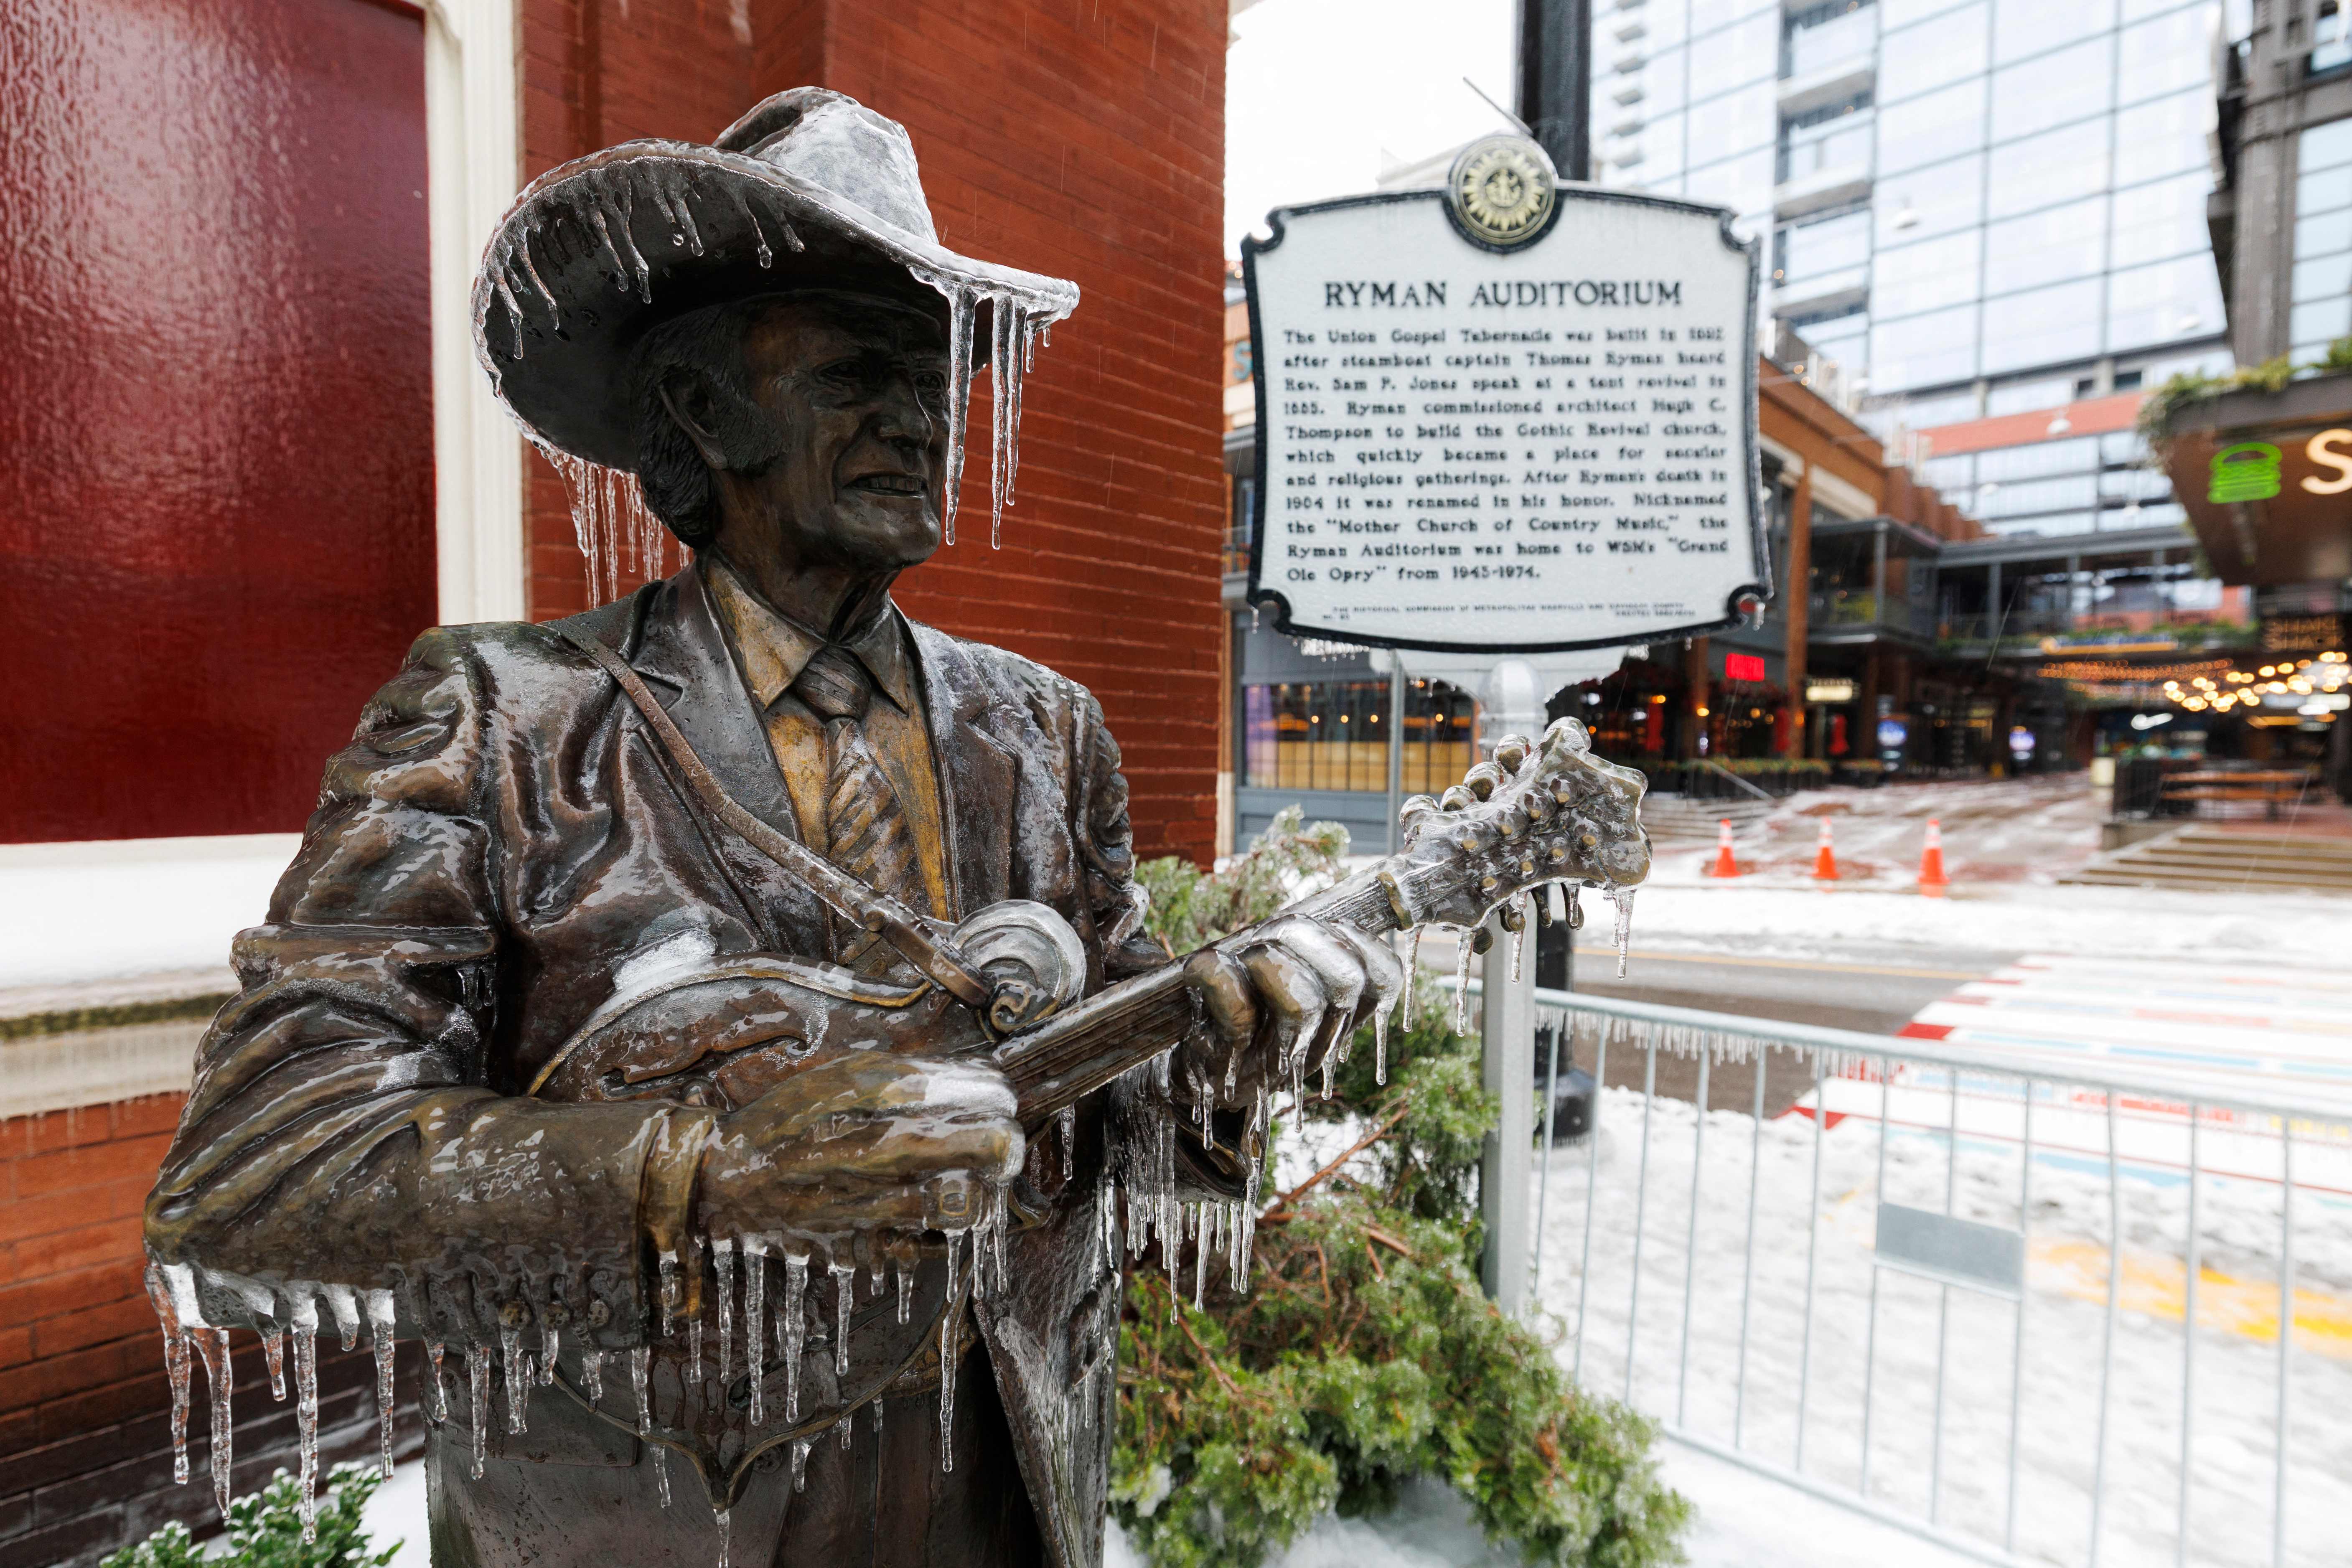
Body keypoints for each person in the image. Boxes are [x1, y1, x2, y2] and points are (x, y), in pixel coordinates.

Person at [143, 88, 1393, 1568]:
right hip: (645, 1524)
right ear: (699, 406)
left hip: (996, 1506)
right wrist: (701, 1176)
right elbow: (249, 1177)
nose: (921, 414)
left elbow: (1118, 1145)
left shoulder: (1044, 733)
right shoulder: (501, 721)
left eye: (938, 374)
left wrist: (1219, 1076)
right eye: (856, 369)